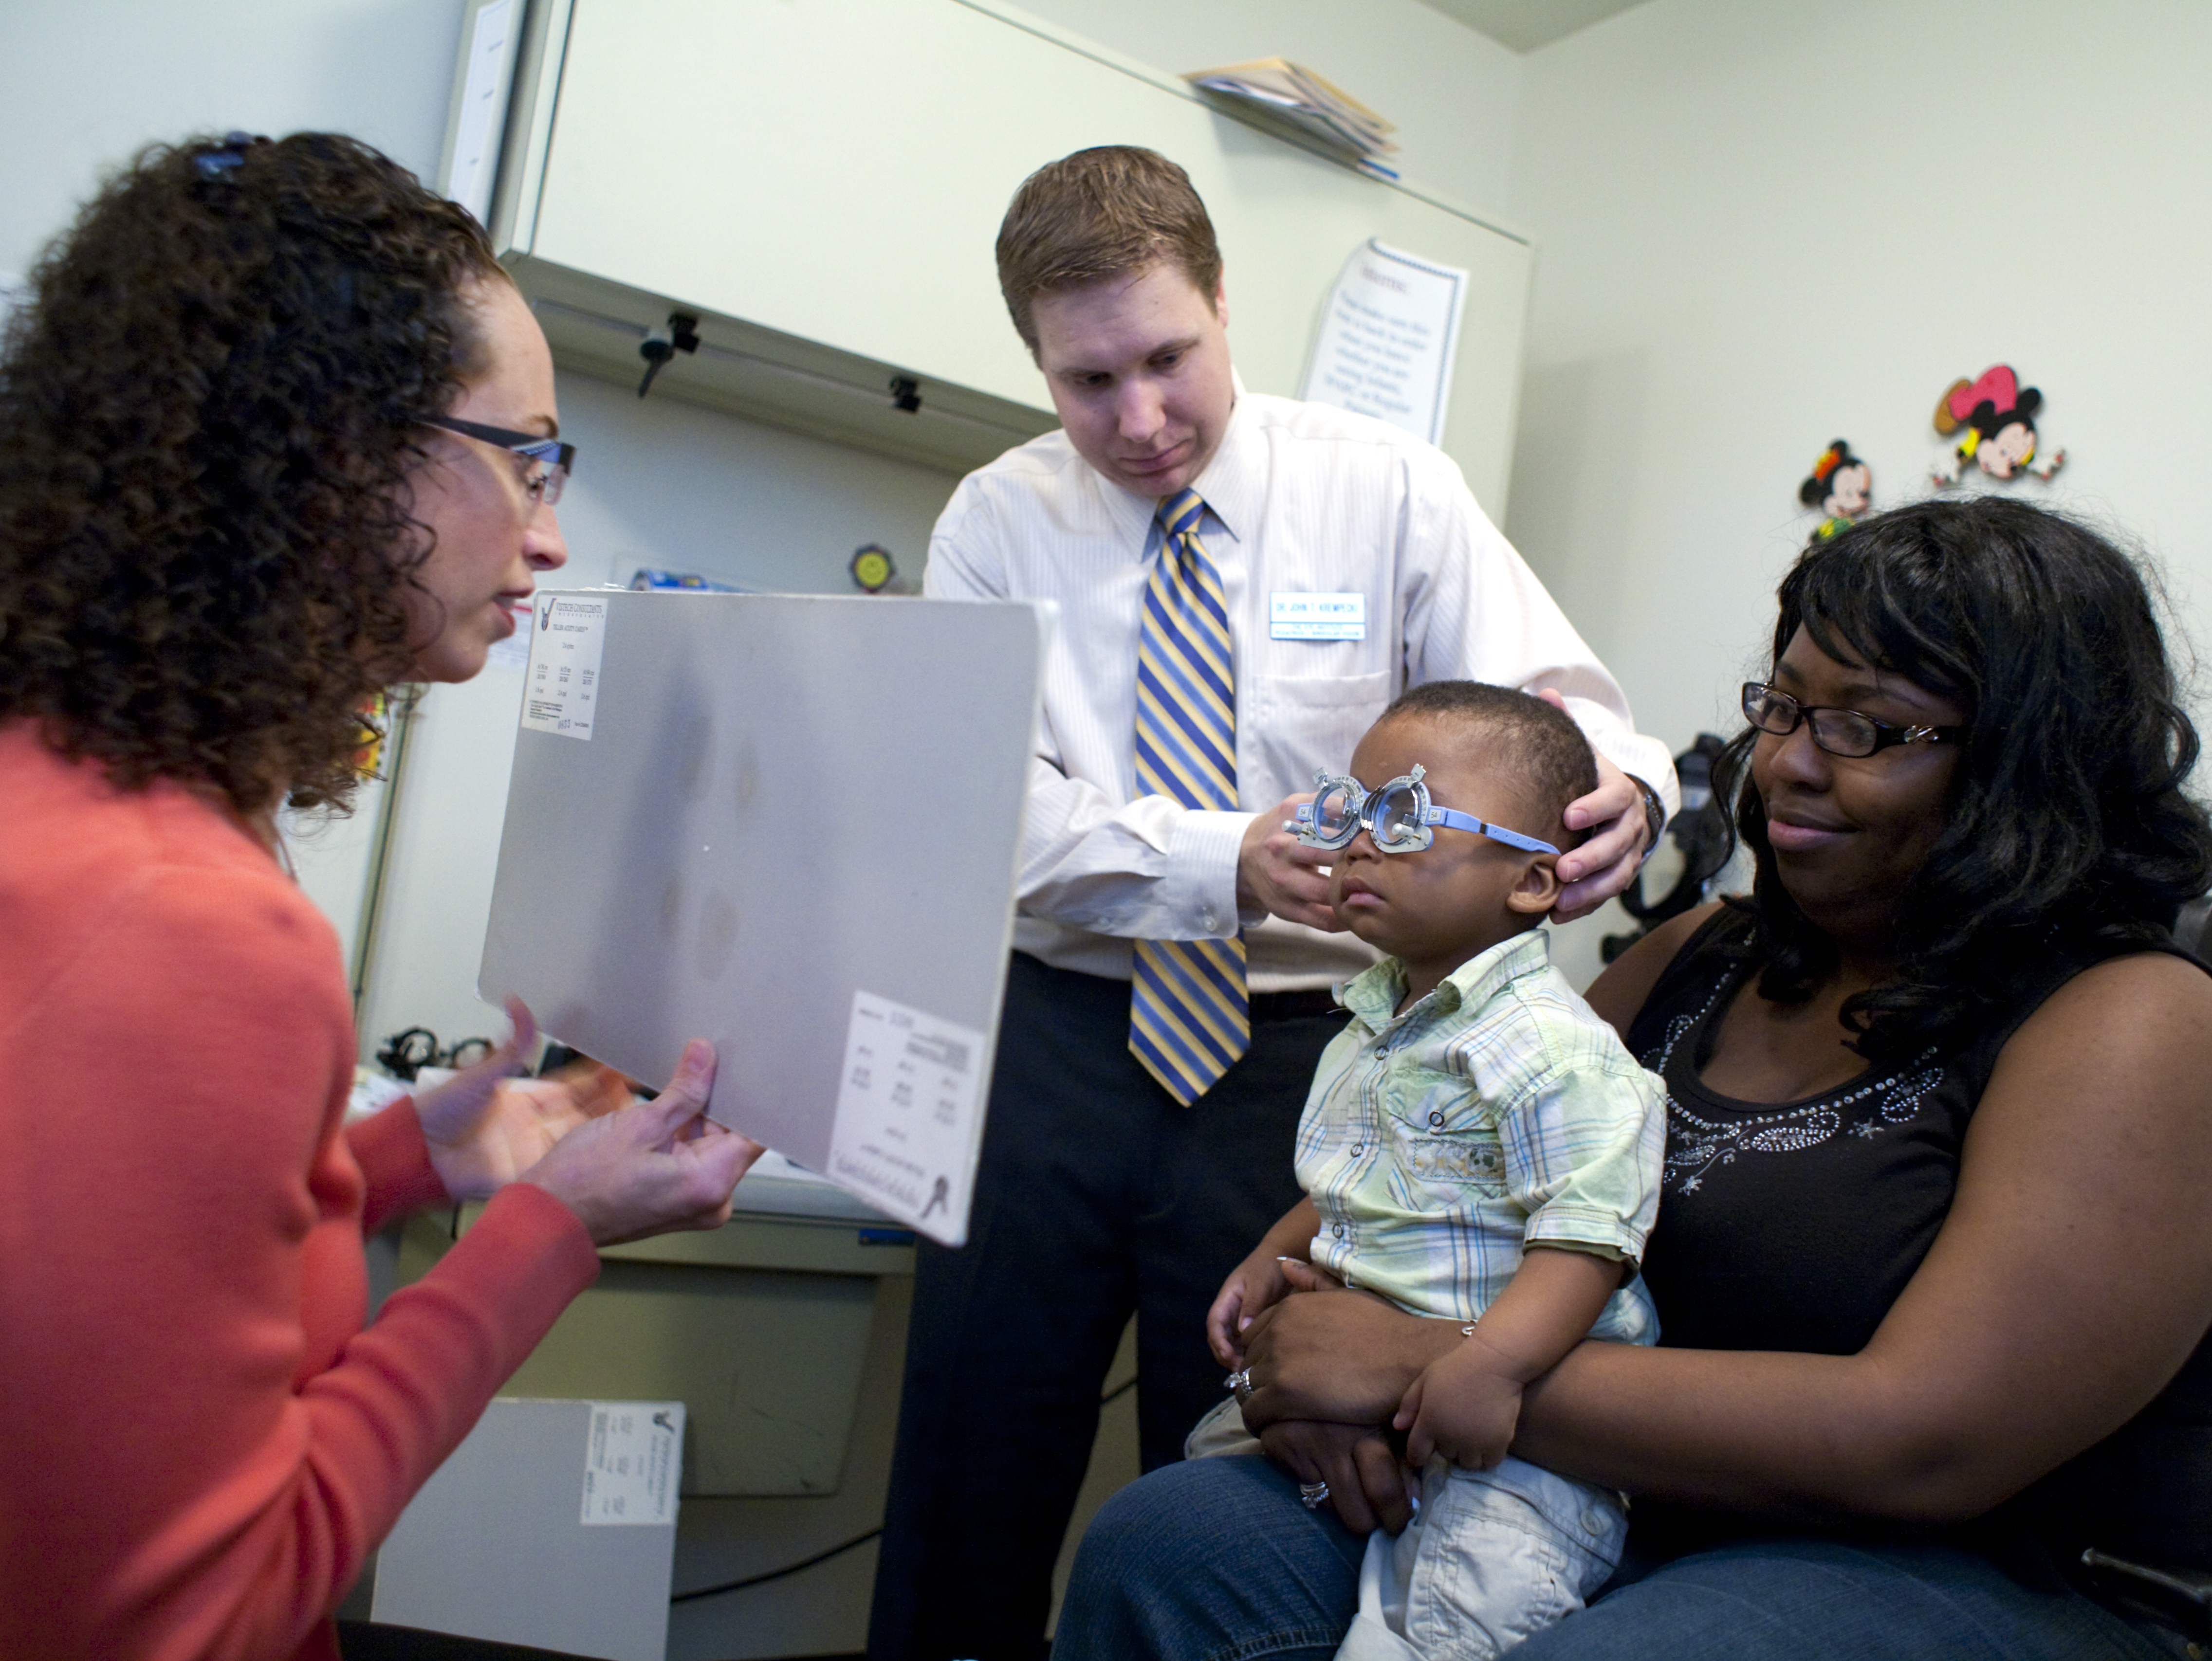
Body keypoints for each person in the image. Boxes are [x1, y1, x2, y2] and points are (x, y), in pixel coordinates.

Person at [1054, 494, 2212, 1661]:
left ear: (2028, 759)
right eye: (1786, 707)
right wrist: (1314, 1375)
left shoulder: (2130, 1021)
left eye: (1865, 728)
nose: (1790, 765)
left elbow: (1924, 1443)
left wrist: (1413, 1373)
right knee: (1175, 1542)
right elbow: (1430, 1179)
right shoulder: (1699, 955)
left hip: (1985, 1568)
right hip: (1602, 1495)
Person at [871, 144, 1677, 1661]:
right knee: (973, 1452)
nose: (1140, 419)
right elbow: (982, 810)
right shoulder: (995, 523)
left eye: (1168, 358)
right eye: (1086, 380)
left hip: (1312, 1059)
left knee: (1252, 1454)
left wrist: (1631, 785)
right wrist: (1222, 857)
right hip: (1053, 1038)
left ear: (1225, 303)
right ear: (1037, 363)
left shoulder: (1383, 491)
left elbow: (1560, 705)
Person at [0, 132, 761, 1661]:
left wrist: (411, 1152)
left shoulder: (68, 783)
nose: (548, 532)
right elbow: (199, 1613)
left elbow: (117, 1277)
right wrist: (546, 1230)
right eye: (524, 456)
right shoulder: (187, 925)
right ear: (337, 450)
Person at [1194, 681, 1664, 1659]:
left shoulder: (1548, 1048)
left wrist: (1489, 1367)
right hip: (1381, 1395)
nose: (1361, 840)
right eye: (1354, 809)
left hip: (1510, 1433)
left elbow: (1589, 1234)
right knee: (1201, 1461)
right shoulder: (1377, 1025)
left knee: (1451, 1630)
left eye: (1404, 815)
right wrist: (1260, 1259)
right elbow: (1356, 1177)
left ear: (1533, 883)